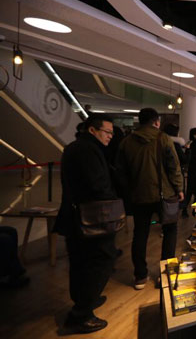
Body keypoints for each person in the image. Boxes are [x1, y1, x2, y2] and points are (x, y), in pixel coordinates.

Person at [55, 114, 119, 333]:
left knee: (81, 262)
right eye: (107, 132)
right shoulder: (87, 150)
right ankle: (81, 314)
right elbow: (97, 185)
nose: (110, 136)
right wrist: (114, 197)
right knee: (100, 260)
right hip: (91, 218)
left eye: (111, 133)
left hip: (77, 216)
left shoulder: (75, 147)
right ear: (92, 130)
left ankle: (85, 301)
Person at [118, 108, 184, 290]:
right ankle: (165, 274)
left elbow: (121, 171)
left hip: (139, 196)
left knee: (140, 233)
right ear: (156, 122)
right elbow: (173, 166)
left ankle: (140, 276)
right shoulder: (163, 138)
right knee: (170, 231)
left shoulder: (126, 142)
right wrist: (179, 188)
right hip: (165, 194)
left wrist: (129, 191)